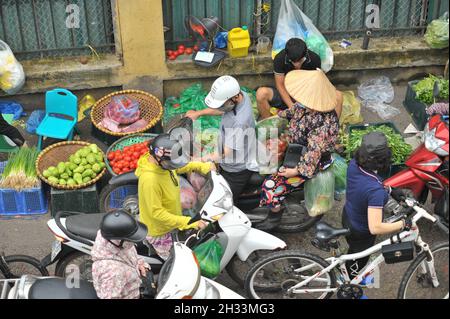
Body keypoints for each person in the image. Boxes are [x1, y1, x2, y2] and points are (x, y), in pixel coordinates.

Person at [258, 69, 340, 231]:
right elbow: (288, 114)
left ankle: (275, 214)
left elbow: (312, 157)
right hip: (297, 147)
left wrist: (294, 171)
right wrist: (269, 122)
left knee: (270, 186)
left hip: (311, 161)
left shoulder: (323, 125)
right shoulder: (304, 107)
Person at [343, 132, 410, 279]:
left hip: (348, 214)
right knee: (358, 258)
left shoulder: (354, 164)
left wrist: (390, 190)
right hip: (361, 230)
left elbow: (368, 183)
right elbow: (375, 227)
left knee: (353, 249)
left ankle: (350, 270)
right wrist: (403, 224)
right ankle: (349, 283)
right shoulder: (375, 192)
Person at [135, 133, 213, 260]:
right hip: (160, 230)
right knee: (179, 261)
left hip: (172, 221)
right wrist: (187, 222)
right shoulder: (150, 180)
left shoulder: (164, 165)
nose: (173, 166)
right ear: (157, 158)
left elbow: (179, 166)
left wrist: (203, 166)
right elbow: (157, 213)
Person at [185, 75, 259, 202]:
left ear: (234, 98)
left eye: (222, 103)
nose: (220, 106)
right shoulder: (241, 96)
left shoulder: (239, 122)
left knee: (222, 202)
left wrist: (198, 160)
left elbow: (224, 153)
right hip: (234, 151)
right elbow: (223, 110)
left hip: (236, 169)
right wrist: (198, 113)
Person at [256, 38, 343, 120]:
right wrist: (292, 108)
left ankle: (332, 129)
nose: (296, 65)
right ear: (287, 55)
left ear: (305, 53)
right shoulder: (280, 58)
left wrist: (310, 105)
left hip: (307, 97)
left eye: (299, 61)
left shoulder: (314, 59)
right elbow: (280, 85)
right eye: (293, 62)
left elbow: (316, 85)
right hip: (287, 95)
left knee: (338, 96)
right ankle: (269, 126)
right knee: (261, 93)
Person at [91, 210, 151, 299]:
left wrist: (139, 263)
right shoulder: (112, 273)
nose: (132, 243)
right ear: (118, 240)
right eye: (130, 240)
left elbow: (130, 254)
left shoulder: (116, 240)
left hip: (137, 285)